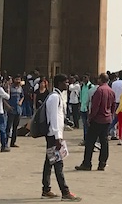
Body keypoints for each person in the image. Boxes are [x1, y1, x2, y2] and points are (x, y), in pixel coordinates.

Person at [43, 73, 81, 201]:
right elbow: (53, 117)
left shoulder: (58, 96)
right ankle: (65, 192)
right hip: (54, 136)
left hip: (54, 134)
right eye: (65, 82)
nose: (67, 84)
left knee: (49, 162)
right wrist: (58, 136)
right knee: (58, 164)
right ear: (59, 83)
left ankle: (46, 189)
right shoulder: (54, 97)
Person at [76, 73, 113, 171]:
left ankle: (87, 163)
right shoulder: (111, 91)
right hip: (107, 119)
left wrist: (90, 118)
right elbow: (113, 106)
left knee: (90, 142)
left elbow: (95, 106)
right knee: (104, 142)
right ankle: (102, 163)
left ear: (100, 80)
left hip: (97, 119)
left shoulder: (99, 91)